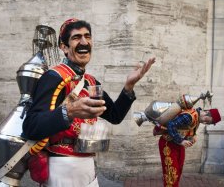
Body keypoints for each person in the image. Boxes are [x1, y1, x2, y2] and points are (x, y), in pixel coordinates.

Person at [22, 18, 156, 187]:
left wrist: (129, 86)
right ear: (63, 47)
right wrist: (68, 112)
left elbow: (115, 116)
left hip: (88, 166)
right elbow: (30, 126)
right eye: (76, 37)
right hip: (61, 168)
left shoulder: (91, 81)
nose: (84, 42)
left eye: (87, 36)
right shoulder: (53, 77)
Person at [153, 107, 222, 187]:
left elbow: (185, 130)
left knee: (178, 171)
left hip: (178, 145)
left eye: (208, 123)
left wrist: (192, 137)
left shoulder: (197, 118)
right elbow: (171, 125)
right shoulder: (189, 116)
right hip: (168, 144)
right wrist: (181, 141)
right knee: (171, 173)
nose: (206, 123)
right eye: (209, 121)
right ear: (207, 113)